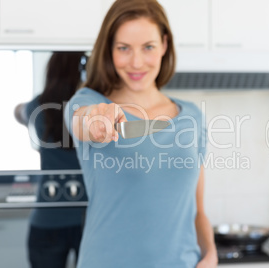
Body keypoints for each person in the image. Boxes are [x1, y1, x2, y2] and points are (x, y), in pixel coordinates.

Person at [64, 0, 218, 267]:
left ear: (164, 45)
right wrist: (98, 121)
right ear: (109, 50)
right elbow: (82, 121)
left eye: (148, 47)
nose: (136, 62)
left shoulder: (191, 116)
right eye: (124, 48)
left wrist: (211, 254)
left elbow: (197, 211)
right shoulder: (87, 102)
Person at [15, 52, 87, 268]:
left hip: (48, 219)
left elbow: (18, 112)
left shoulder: (38, 107)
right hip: (88, 219)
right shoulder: (89, 111)